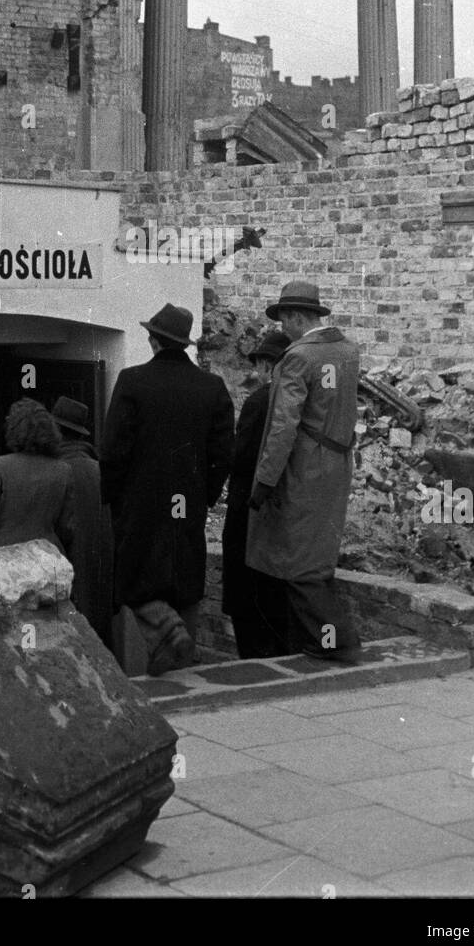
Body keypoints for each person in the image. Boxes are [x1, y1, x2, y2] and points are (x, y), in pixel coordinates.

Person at [101, 303, 235, 672]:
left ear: (153, 341)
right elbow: (224, 453)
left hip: (140, 502)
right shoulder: (212, 387)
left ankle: (165, 632)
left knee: (131, 579)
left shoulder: (132, 381)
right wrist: (204, 494)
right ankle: (178, 666)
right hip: (187, 502)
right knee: (184, 582)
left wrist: (112, 497)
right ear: (184, 345)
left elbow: (113, 450)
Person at [247, 280, 362, 661]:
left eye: (284, 321)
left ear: (298, 318)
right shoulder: (346, 350)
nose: (282, 330)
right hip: (336, 464)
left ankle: (335, 642)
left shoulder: (299, 357)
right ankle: (324, 641)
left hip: (305, 468)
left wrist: (264, 480)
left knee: (298, 561)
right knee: (316, 554)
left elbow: (283, 426)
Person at [222, 329, 291, 657]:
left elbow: (241, 457)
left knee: (246, 596)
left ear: (267, 365)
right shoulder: (298, 400)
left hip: (249, 509)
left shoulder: (260, 401)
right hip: (285, 512)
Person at [0, 398, 75, 557]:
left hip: (5, 556)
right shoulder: (63, 470)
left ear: (13, 430)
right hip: (47, 557)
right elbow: (67, 529)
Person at [51, 396, 113, 647]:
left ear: (56, 430)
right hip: (101, 580)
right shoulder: (99, 470)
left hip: (68, 582)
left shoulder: (56, 471)